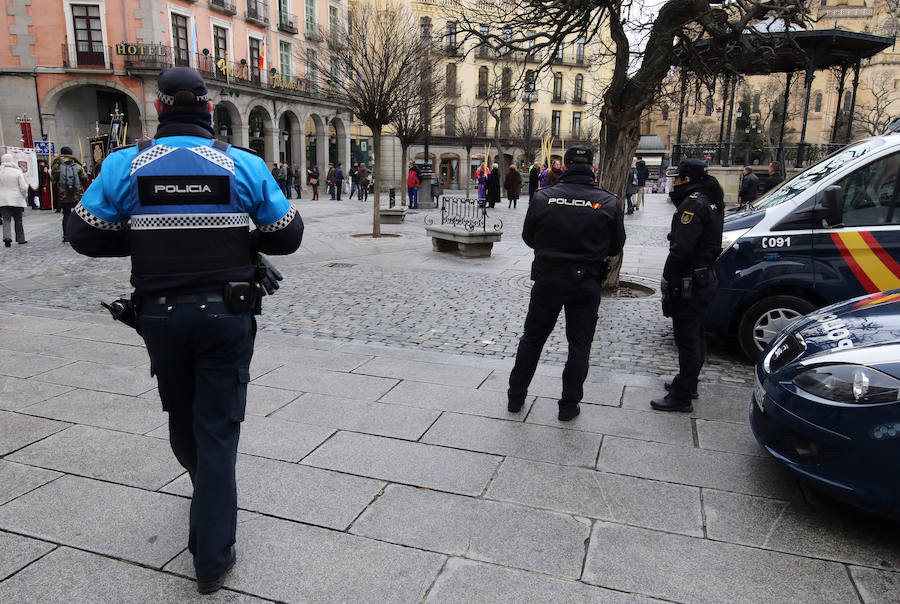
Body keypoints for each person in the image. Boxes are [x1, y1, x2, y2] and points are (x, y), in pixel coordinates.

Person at [66, 66, 304, 594]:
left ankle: (206, 491)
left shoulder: (124, 164)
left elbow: (81, 233)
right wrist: (240, 244)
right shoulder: (241, 163)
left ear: (158, 109)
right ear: (208, 106)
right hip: (227, 314)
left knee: (179, 411)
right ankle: (212, 559)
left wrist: (149, 241)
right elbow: (287, 236)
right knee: (218, 428)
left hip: (160, 316)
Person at [508, 145, 626, 421]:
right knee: (579, 345)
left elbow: (528, 237)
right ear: (591, 167)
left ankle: (515, 398)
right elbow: (617, 244)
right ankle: (568, 406)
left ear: (566, 164)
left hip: (549, 278)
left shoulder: (543, 197)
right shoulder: (608, 202)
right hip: (586, 282)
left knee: (532, 340)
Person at [651, 158, 724, 412]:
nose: (673, 182)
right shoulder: (710, 200)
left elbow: (682, 249)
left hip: (690, 281)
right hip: (703, 278)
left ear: (687, 179)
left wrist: (667, 276)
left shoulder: (692, 205)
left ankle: (681, 397)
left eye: (677, 178)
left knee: (687, 339)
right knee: (696, 334)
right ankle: (688, 383)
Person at [50, 146, 89, 243]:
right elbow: (85, 179)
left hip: (63, 193)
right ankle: (80, 233)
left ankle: (66, 236)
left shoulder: (56, 165)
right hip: (77, 192)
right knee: (79, 213)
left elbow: (53, 180)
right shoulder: (76, 164)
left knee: (66, 214)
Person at [0, 153, 29, 247]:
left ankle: (7, 237)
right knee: (18, 219)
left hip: (3, 200)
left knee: (6, 219)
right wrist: (25, 195)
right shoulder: (17, 171)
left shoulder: (0, 171)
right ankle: (21, 238)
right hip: (16, 199)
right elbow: (23, 187)